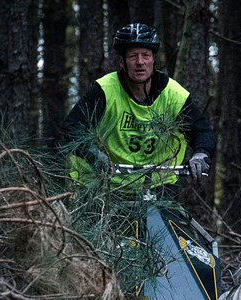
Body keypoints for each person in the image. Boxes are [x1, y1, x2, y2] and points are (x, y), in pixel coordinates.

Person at [63, 23, 215, 193]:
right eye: (133, 56)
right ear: (122, 61)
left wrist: (201, 153)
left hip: (158, 187)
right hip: (105, 187)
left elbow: (202, 130)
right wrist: (94, 155)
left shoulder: (173, 94)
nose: (140, 62)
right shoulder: (105, 90)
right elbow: (72, 128)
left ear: (153, 60)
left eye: (146, 55)